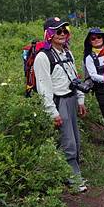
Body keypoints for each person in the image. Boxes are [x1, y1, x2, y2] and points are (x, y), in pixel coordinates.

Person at [34, 17, 88, 192]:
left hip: (71, 100)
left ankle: (64, 174)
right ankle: (74, 180)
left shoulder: (67, 53)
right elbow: (43, 88)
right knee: (68, 143)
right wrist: (52, 112)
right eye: (57, 31)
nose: (62, 34)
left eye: (65, 30)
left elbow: (75, 78)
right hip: (59, 103)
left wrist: (80, 99)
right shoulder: (42, 57)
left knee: (76, 141)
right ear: (48, 34)